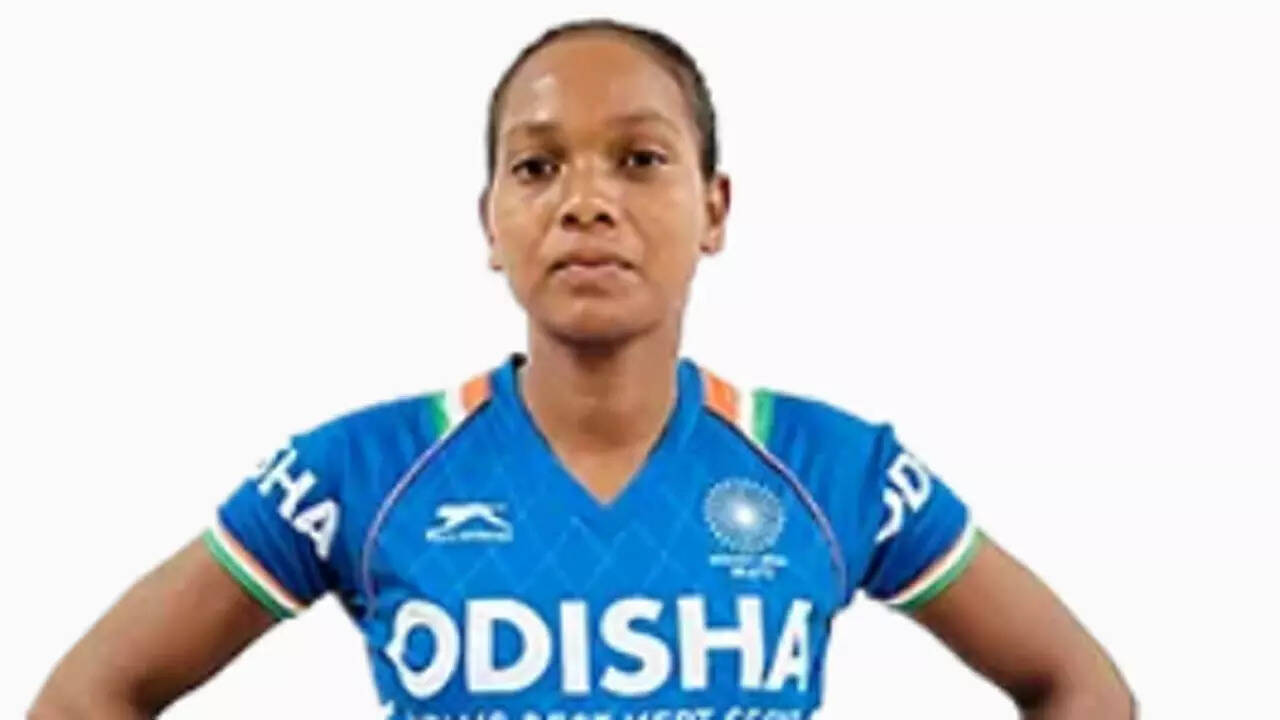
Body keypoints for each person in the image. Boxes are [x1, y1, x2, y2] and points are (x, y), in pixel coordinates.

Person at [29, 18, 1133, 720]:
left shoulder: (831, 469)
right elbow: (87, 696)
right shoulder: (356, 473)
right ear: (490, 220)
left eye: (640, 159)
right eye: (537, 165)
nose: (586, 200)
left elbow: (1079, 688)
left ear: (713, 208)